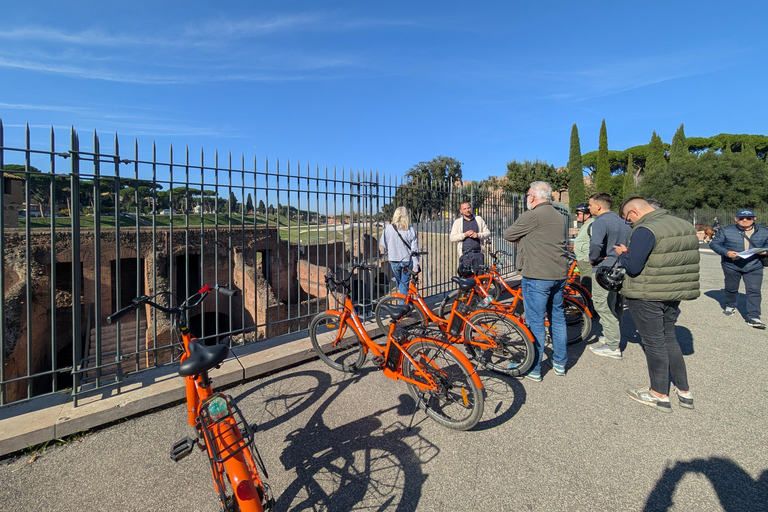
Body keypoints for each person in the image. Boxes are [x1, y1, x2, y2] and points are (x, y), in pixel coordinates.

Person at [613, 198, 700, 412]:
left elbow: (633, 266)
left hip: (648, 293)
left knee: (653, 342)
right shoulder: (683, 225)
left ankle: (658, 394)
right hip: (673, 291)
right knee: (669, 337)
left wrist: (623, 254)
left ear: (633, 212)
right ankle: (684, 391)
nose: (630, 223)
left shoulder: (646, 229)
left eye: (628, 219)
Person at [503, 181, 568, 381]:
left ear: (532, 197)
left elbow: (508, 234)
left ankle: (534, 368)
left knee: (535, 322)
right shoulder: (559, 215)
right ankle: (560, 363)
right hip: (559, 274)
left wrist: (522, 239)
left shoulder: (532, 215)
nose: (527, 198)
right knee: (557, 318)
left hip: (538, 275)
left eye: (527, 195)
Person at [588, 193, 631, 359]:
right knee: (616, 304)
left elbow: (596, 244)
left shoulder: (601, 221)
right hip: (621, 267)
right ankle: (612, 336)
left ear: (598, 206)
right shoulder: (623, 221)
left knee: (602, 305)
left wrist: (593, 259)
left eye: (590, 205)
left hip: (605, 269)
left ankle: (612, 346)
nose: (589, 207)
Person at [709, 208, 768, 329]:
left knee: (754, 291)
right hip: (731, 265)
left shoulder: (764, 231)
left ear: (754, 219)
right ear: (736, 219)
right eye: (741, 218)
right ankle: (730, 305)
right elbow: (714, 244)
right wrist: (726, 252)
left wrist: (765, 251)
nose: (745, 220)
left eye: (748, 218)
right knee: (731, 288)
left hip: (754, 265)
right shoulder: (726, 230)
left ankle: (754, 316)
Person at [379, 206, 421, 296]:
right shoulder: (410, 230)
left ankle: (403, 303)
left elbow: (383, 244)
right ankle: (404, 303)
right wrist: (416, 265)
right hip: (407, 261)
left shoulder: (388, 228)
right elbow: (414, 250)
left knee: (401, 285)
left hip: (394, 260)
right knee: (403, 285)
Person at [450, 201, 490, 272]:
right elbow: (452, 238)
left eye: (468, 208)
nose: (467, 210)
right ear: (461, 211)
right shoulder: (457, 222)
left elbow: (488, 233)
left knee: (480, 276)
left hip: (478, 254)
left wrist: (478, 235)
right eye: (464, 209)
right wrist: (464, 235)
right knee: (467, 277)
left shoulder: (479, 219)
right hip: (465, 255)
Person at [572, 202, 594, 292]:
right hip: (583, 260)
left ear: (587, 214)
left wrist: (588, 258)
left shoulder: (592, 225)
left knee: (587, 286)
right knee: (585, 285)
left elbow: (597, 243)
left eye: (578, 213)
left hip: (586, 262)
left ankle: (589, 301)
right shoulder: (586, 225)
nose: (576, 215)